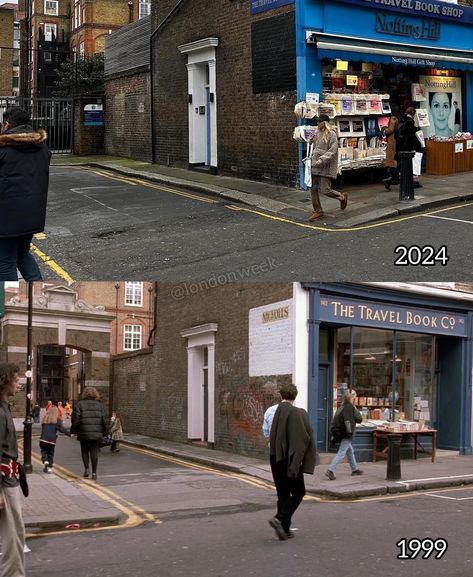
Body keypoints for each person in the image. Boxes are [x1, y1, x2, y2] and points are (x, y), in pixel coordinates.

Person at [0, 107, 51, 281]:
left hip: (6, 217)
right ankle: (38, 297)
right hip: (32, 214)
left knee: (5, 262)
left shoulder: (4, 149)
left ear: (7, 124)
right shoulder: (42, 148)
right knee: (23, 254)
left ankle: (8, 304)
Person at [268, 384, 316, 541]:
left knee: (282, 494)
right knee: (298, 492)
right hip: (289, 459)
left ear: (281, 395)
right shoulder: (297, 413)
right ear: (295, 396)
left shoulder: (272, 412)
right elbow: (300, 440)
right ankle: (279, 518)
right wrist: (297, 463)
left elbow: (266, 432)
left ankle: (285, 530)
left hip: (275, 457)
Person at [0, 363, 26, 577]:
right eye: (16, 380)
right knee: (14, 536)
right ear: (5, 381)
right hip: (5, 483)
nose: (19, 384)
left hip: (10, 480)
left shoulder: (4, 407)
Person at [309, 113, 348, 221]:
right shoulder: (317, 132)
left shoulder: (332, 134)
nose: (317, 124)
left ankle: (342, 197)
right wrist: (310, 139)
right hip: (315, 164)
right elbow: (314, 146)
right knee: (312, 188)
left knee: (325, 190)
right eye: (317, 122)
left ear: (325, 123)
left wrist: (322, 160)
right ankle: (318, 210)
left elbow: (333, 151)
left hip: (325, 165)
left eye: (319, 122)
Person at [71, 387, 108, 481]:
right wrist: (105, 432)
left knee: (84, 451)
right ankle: (94, 473)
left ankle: (87, 469)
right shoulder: (100, 405)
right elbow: (105, 420)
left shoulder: (79, 404)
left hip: (83, 432)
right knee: (94, 452)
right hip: (96, 433)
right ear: (95, 394)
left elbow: (75, 419)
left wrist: (73, 431)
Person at [326, 389, 363, 480]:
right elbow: (359, 419)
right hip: (347, 434)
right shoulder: (351, 408)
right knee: (342, 453)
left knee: (350, 451)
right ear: (352, 399)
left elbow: (334, 422)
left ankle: (354, 469)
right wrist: (354, 407)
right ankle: (330, 470)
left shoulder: (340, 408)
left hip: (339, 433)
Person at [396, 107, 424, 188]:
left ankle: (402, 178)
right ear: (413, 114)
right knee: (413, 163)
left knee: (404, 164)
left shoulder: (403, 120)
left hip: (403, 145)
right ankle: (413, 181)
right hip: (409, 146)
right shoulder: (409, 121)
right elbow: (410, 135)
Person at [39, 405, 70, 473]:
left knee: (44, 450)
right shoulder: (57, 420)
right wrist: (69, 434)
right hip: (52, 440)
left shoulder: (45, 419)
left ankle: (45, 461)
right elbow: (62, 429)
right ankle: (49, 467)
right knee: (50, 453)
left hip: (43, 438)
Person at [381, 114, 399, 191]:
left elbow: (390, 130)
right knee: (395, 162)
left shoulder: (393, 118)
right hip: (395, 142)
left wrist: (384, 129)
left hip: (391, 142)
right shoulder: (397, 118)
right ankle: (391, 179)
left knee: (392, 161)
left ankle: (390, 179)